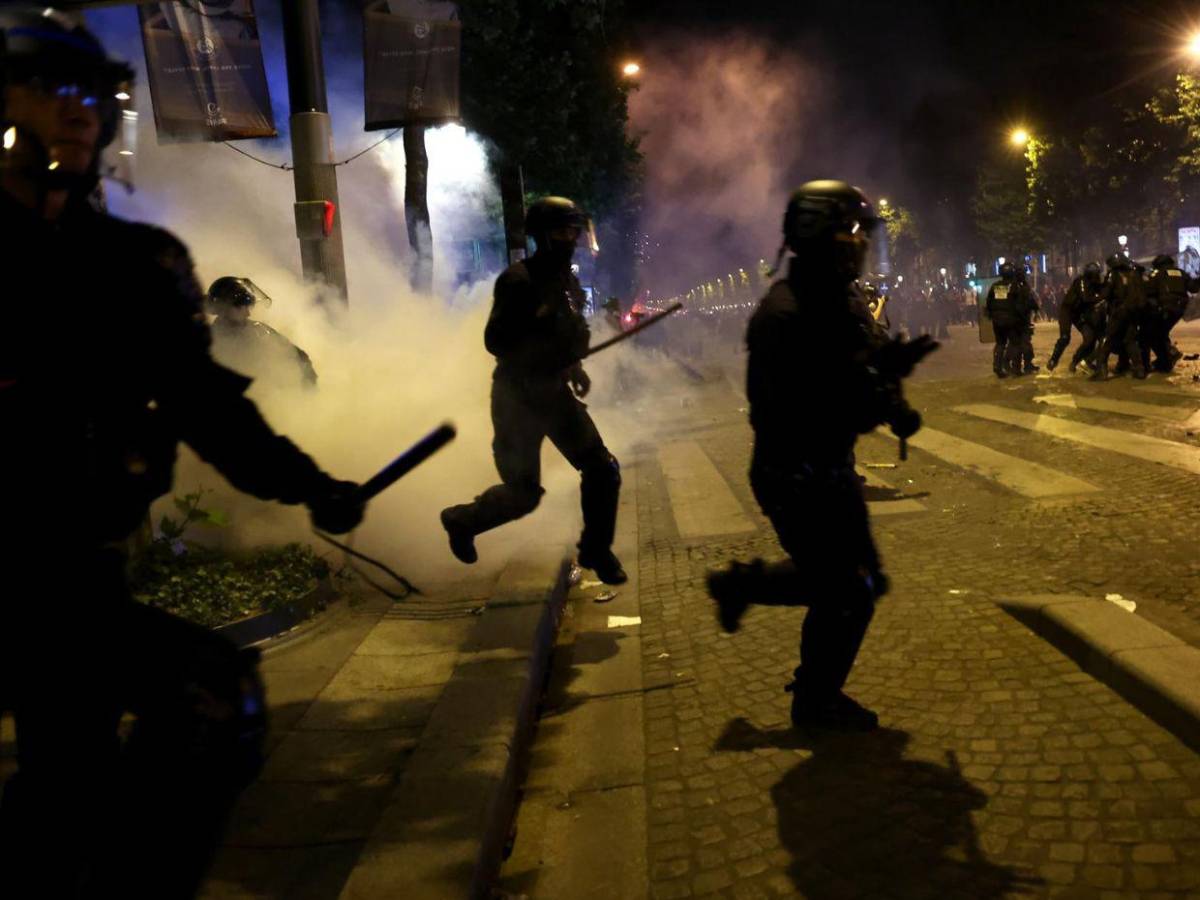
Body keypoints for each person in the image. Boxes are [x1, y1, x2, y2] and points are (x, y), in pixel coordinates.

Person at [0, 9, 365, 895]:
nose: (78, 109)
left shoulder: (135, 266)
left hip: (80, 572)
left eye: (91, 92)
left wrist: (311, 485)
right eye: (51, 87)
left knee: (165, 730)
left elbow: (209, 408)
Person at [705, 180, 938, 731]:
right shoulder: (783, 317)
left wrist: (893, 393)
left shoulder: (842, 295)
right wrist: (870, 390)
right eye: (850, 231)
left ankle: (754, 599)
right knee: (846, 588)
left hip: (830, 469)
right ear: (819, 236)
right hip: (794, 473)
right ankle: (813, 698)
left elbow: (867, 356)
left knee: (857, 584)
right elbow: (797, 413)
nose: (859, 244)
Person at [439, 197, 626, 585]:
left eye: (573, 230)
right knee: (523, 495)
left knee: (603, 471)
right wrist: (534, 324)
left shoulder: (566, 280)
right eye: (561, 231)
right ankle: (462, 520)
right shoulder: (518, 280)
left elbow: (566, 334)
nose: (569, 238)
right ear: (542, 235)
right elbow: (495, 341)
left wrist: (572, 366)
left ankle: (596, 549)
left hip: (554, 394)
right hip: (517, 400)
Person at [206, 275, 319, 390]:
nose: (247, 313)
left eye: (248, 307)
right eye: (241, 307)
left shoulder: (259, 330)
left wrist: (309, 385)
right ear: (223, 307)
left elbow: (299, 356)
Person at [1092, 253, 1147, 380]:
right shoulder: (1135, 274)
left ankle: (1101, 370)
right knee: (1130, 340)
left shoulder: (1114, 274)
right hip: (1134, 312)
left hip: (1119, 311)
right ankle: (1139, 369)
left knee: (1107, 338)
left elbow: (1106, 293)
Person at [1141, 254, 1198, 373]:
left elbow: (1149, 290)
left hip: (1165, 309)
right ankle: (1167, 358)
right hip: (1179, 310)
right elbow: (1193, 288)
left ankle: (1166, 359)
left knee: (1152, 335)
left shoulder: (1159, 274)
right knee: (1161, 333)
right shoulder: (1181, 273)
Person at [1047, 261, 1103, 372]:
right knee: (1065, 338)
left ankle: (1076, 361)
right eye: (1095, 275)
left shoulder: (1096, 284)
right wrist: (1101, 297)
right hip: (1067, 311)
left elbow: (1103, 290)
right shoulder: (1081, 281)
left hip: (1080, 313)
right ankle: (1053, 360)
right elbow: (1085, 298)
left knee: (1090, 338)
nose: (1096, 277)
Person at [984, 263, 1024, 378]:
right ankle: (1016, 369)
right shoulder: (1015, 286)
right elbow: (1019, 304)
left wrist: (993, 315)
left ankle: (997, 366)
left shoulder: (997, 286)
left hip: (997, 320)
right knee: (1015, 343)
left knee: (1000, 343)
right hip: (1011, 320)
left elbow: (989, 303)